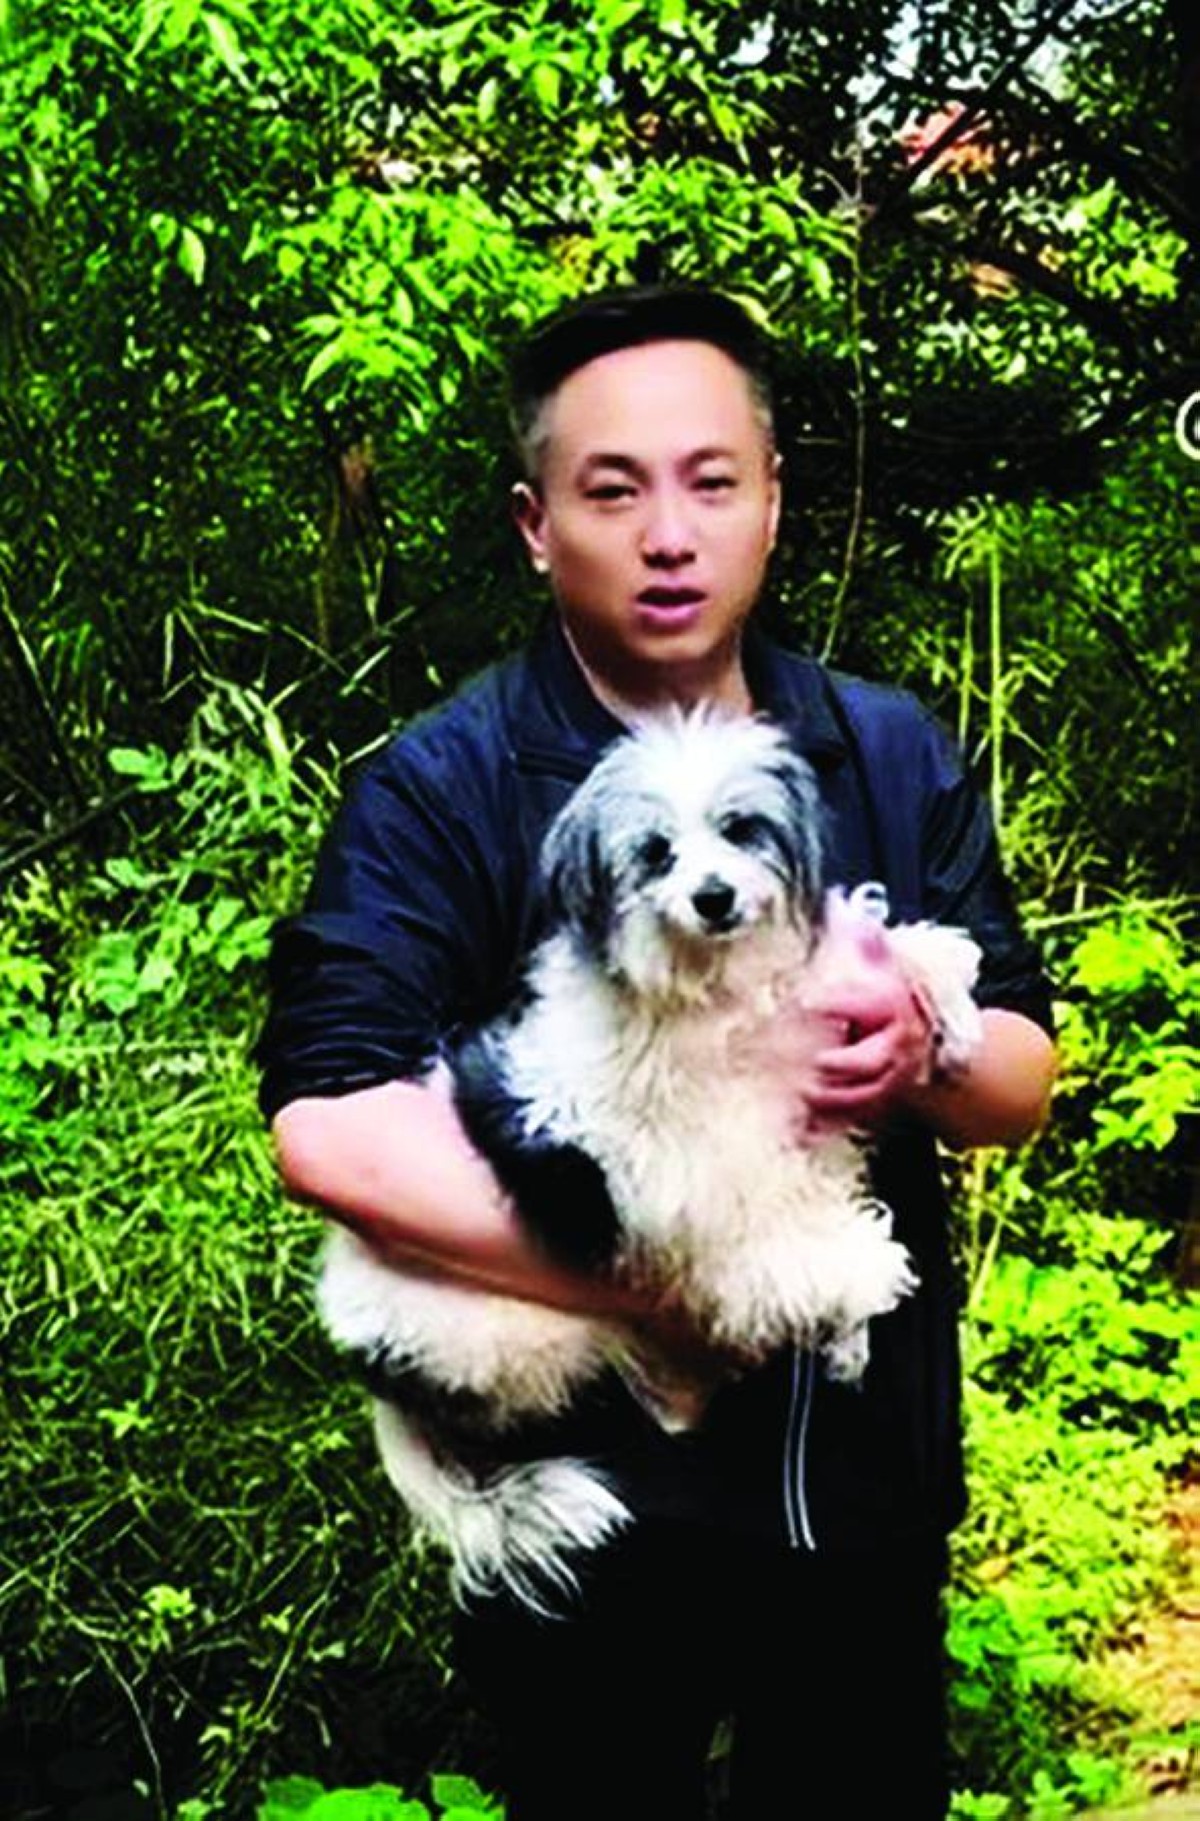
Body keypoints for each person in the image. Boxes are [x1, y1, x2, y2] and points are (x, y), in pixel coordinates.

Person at [257, 286, 1057, 1820]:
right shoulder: (443, 784)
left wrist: (929, 1046)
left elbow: (1020, 1070)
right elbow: (330, 1122)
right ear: (535, 524)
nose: (670, 536)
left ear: (773, 502)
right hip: (599, 1523)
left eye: (711, 481)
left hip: (861, 1495)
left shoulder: (885, 749)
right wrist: (653, 1291)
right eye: (614, 490)